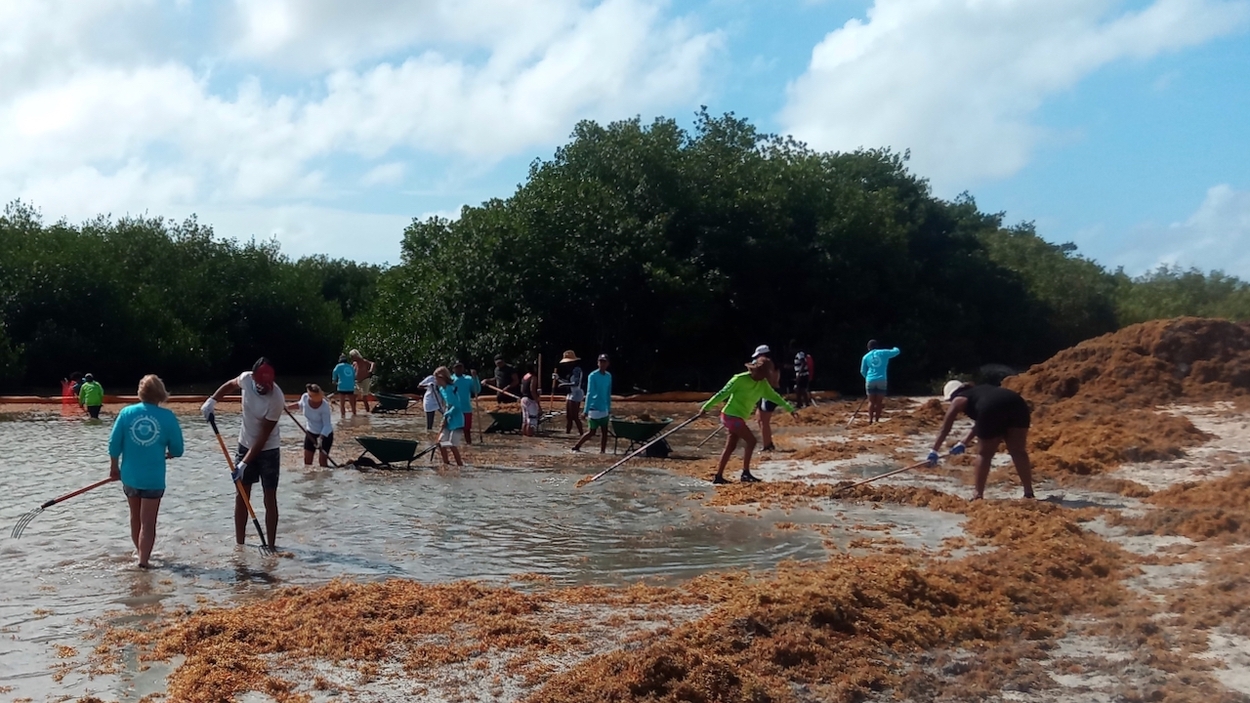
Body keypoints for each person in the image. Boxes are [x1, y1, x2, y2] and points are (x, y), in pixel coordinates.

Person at [200, 357, 285, 548]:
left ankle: (271, 545)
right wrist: (212, 400)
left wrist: (244, 463)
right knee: (242, 495)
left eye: (268, 384)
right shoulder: (246, 378)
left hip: (268, 449)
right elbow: (230, 385)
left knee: (269, 496)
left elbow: (263, 437)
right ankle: (240, 545)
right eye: (261, 384)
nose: (264, 388)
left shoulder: (277, 398)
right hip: (244, 443)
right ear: (253, 378)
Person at [109, 374, 184, 568]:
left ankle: (139, 553)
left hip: (130, 476)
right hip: (153, 478)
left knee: (135, 517)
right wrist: (168, 452)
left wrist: (113, 467)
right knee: (148, 522)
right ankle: (143, 561)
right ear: (160, 393)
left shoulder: (126, 413)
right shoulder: (167, 417)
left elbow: (114, 443)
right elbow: (178, 449)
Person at [930, 380, 1035, 501]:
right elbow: (981, 422)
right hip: (1017, 404)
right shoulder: (980, 391)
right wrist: (963, 442)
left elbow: (945, 428)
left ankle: (978, 494)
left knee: (984, 454)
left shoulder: (959, 399)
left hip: (991, 409)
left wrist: (934, 451)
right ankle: (1028, 492)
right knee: (1018, 451)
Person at [700, 357, 797, 484]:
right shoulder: (739, 379)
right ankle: (745, 473)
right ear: (755, 371)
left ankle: (718, 476)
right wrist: (706, 407)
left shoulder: (762, 384)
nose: (763, 377)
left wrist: (789, 408)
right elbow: (722, 393)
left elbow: (774, 396)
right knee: (751, 441)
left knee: (731, 446)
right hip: (730, 416)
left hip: (739, 417)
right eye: (762, 374)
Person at [573, 354, 612, 453]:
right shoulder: (593, 376)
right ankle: (577, 446)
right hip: (594, 407)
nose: (602, 364)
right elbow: (589, 393)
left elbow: (608, 392)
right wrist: (585, 411)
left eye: (604, 362)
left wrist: (609, 407)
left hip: (604, 408)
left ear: (608, 363)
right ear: (598, 363)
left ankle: (602, 451)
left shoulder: (608, 376)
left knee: (604, 431)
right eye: (600, 362)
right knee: (592, 431)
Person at [288, 384, 333, 468]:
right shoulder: (305, 397)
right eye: (311, 396)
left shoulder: (324, 406)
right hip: (310, 433)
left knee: (323, 464)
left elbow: (327, 425)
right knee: (307, 463)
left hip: (324, 435)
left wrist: (320, 438)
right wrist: (286, 407)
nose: (312, 399)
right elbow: (300, 405)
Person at [750, 345, 783, 451]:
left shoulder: (766, 364)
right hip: (765, 393)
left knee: (764, 421)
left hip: (768, 394)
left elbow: (765, 380)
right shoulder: (771, 364)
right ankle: (768, 442)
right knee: (759, 419)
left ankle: (767, 446)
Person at [860, 340, 901, 424]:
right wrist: (895, 347)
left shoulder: (865, 357)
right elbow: (897, 351)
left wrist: (867, 377)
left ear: (868, 348)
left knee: (871, 401)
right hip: (882, 379)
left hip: (870, 380)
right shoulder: (883, 353)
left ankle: (870, 420)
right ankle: (877, 420)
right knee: (879, 402)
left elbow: (862, 371)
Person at [434, 366, 465, 467]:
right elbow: (447, 404)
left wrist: (447, 415)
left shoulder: (451, 389)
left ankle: (460, 465)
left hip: (457, 420)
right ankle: (446, 464)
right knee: (441, 442)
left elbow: (456, 406)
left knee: (452, 445)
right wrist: (444, 418)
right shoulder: (442, 389)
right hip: (448, 418)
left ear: (442, 378)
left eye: (436, 378)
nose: (435, 381)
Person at [555, 350, 585, 435]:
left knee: (575, 416)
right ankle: (567, 433)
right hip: (571, 394)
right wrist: (558, 379)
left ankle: (581, 433)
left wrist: (563, 385)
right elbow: (567, 382)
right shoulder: (570, 371)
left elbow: (575, 383)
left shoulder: (577, 370)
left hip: (577, 394)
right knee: (568, 417)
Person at [451, 362, 481, 445]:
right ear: (453, 369)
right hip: (455, 408)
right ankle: (454, 446)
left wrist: (475, 378)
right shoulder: (450, 380)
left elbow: (476, 390)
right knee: (455, 429)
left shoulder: (468, 379)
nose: (459, 369)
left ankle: (469, 445)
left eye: (460, 367)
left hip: (466, 408)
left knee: (467, 429)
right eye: (457, 367)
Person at [350, 350, 376, 414]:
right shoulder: (354, 363)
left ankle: (368, 411)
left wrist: (370, 371)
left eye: (352, 356)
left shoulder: (364, 361)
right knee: (354, 396)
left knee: (364, 397)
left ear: (356, 356)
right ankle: (354, 412)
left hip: (365, 379)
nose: (352, 358)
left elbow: (372, 363)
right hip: (357, 381)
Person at [519, 364, 541, 437]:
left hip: (523, 399)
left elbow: (522, 389)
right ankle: (530, 436)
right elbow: (532, 390)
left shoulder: (525, 377)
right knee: (531, 420)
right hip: (530, 400)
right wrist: (537, 400)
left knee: (525, 420)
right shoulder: (533, 377)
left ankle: (525, 436)